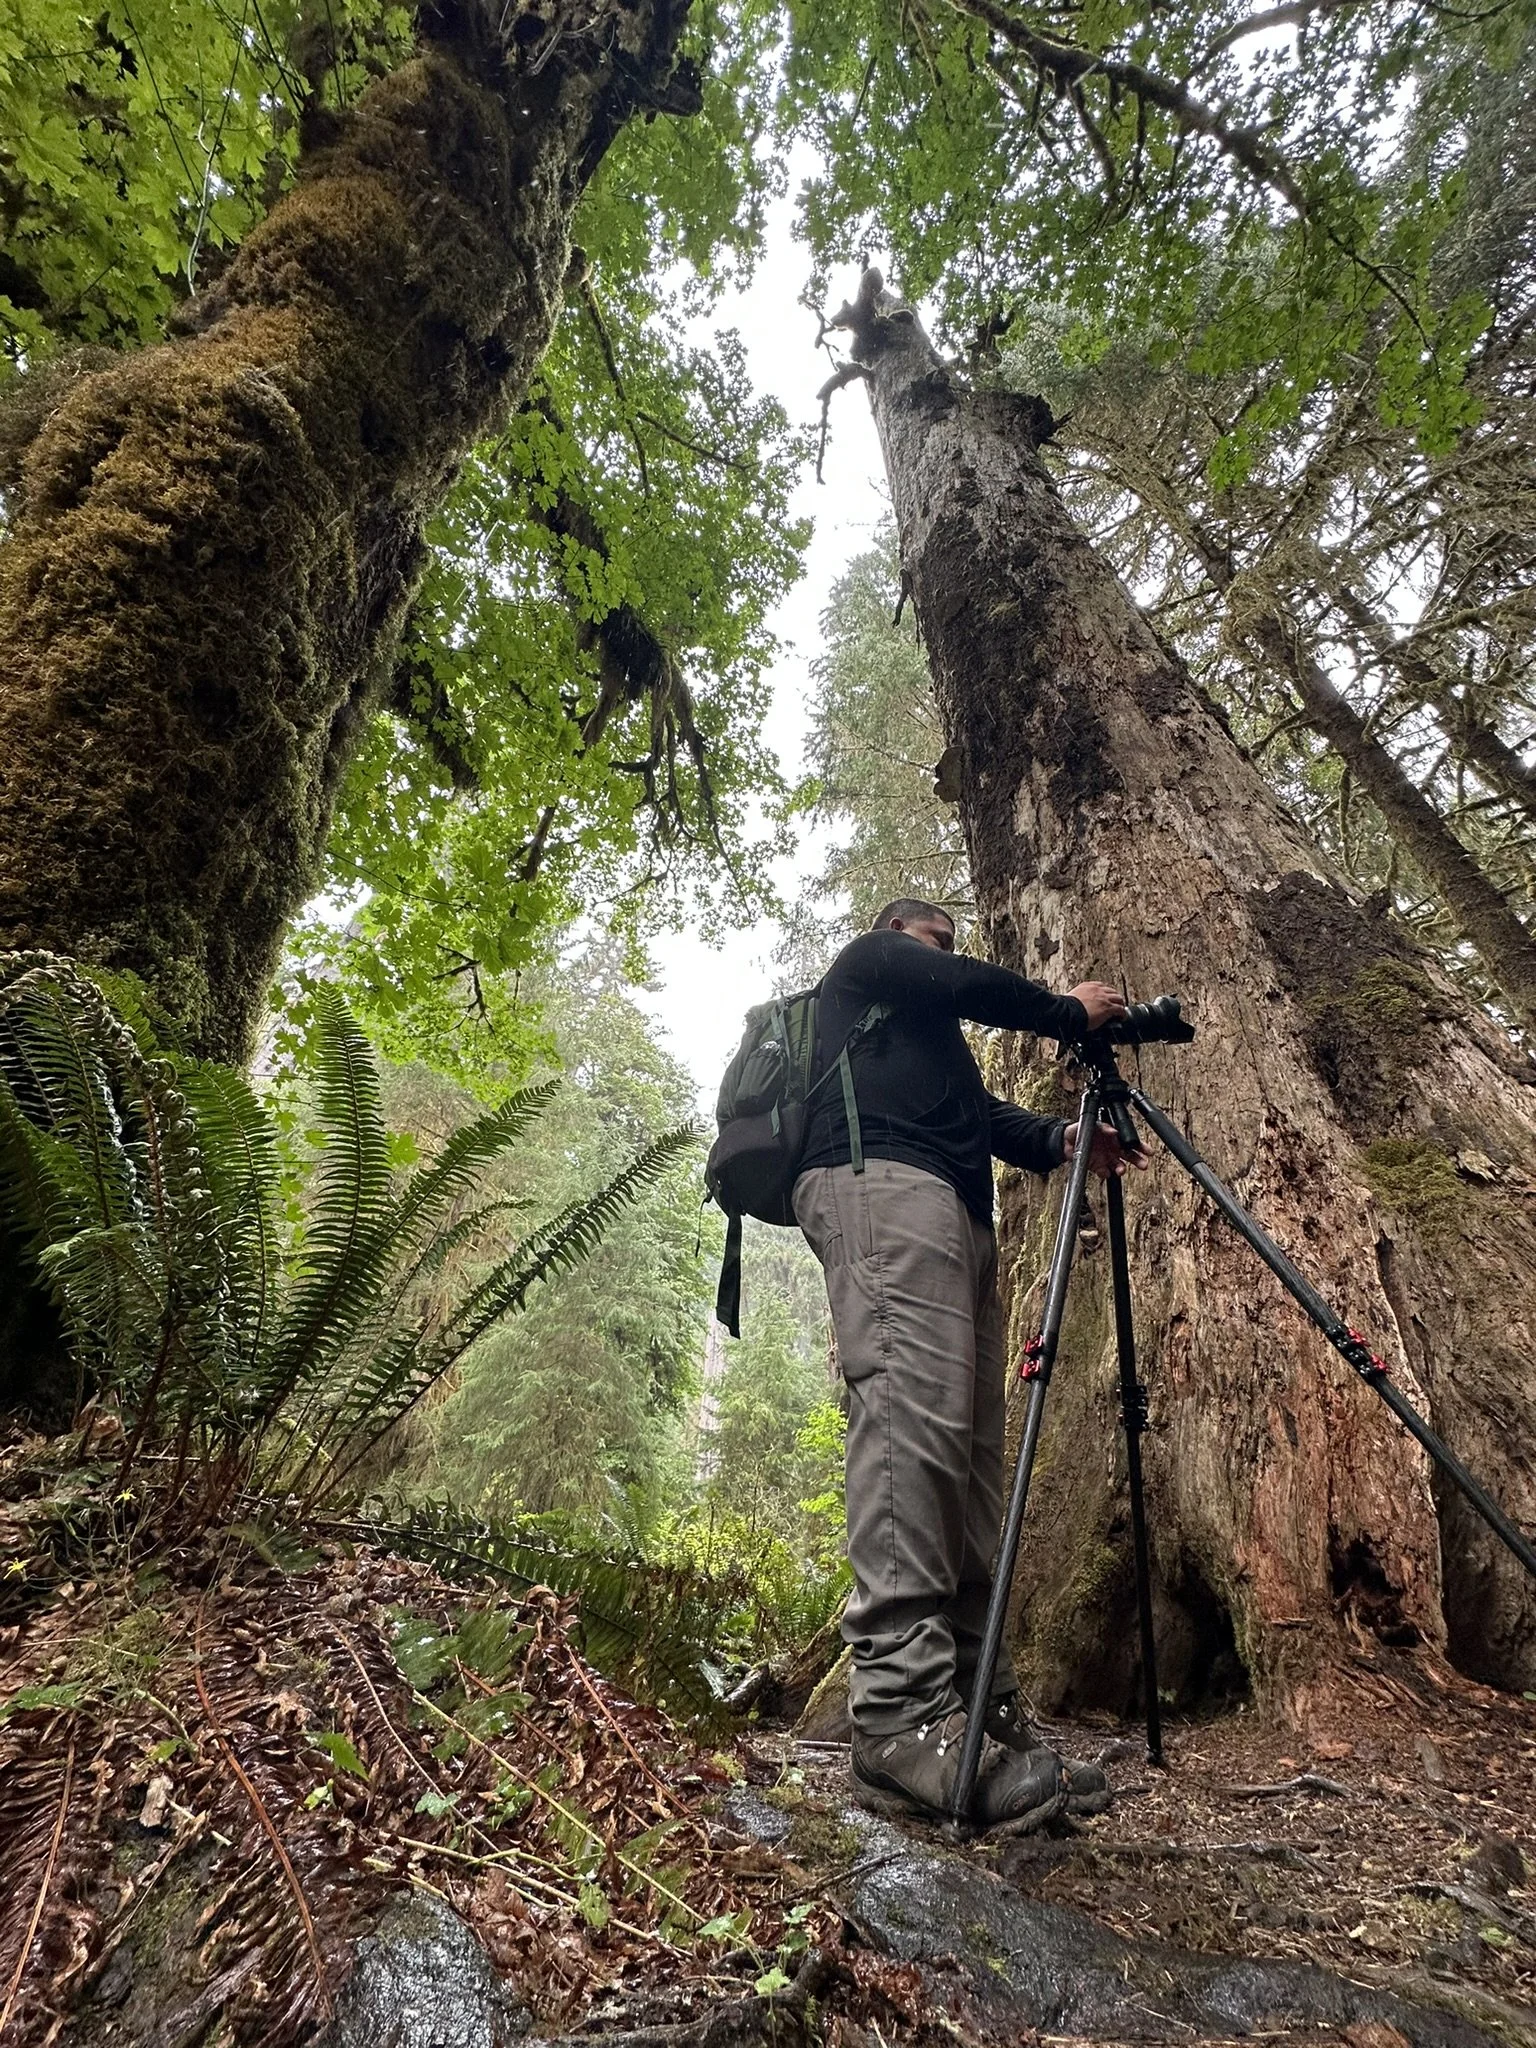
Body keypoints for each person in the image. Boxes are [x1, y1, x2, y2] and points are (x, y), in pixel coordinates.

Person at [793, 897, 1147, 1829]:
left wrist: (1065, 1141)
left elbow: (982, 1117)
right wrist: (1067, 1011)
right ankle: (901, 1715)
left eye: (952, 943)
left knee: (966, 1459)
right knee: (912, 1427)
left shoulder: (919, 1043)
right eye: (935, 941)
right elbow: (957, 984)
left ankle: (975, 1698)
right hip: (882, 1191)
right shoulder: (868, 962)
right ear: (895, 936)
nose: (946, 956)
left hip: (951, 1212)